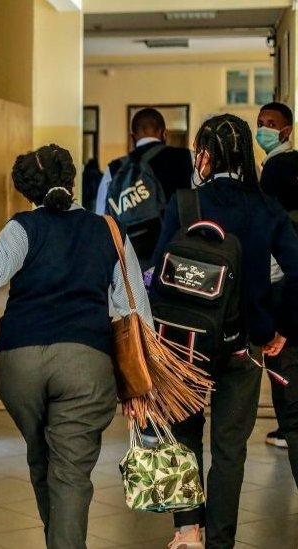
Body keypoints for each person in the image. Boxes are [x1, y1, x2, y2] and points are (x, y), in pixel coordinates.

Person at [0, 144, 152, 549]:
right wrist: (140, 384)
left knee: (42, 456)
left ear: (27, 191)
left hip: (18, 363)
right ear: (72, 179)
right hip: (86, 363)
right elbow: (134, 307)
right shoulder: (108, 229)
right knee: (70, 472)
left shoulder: (23, 227)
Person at [152, 114, 298, 549]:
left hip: (184, 347)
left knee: (183, 439)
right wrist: (281, 328)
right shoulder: (265, 205)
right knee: (231, 449)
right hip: (244, 347)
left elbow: (155, 274)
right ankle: (220, 539)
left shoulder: (184, 204)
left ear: (205, 155)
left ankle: (187, 530)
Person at [95, 108, 194, 267]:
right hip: (179, 258)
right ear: (164, 134)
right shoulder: (188, 158)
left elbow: (101, 219)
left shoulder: (114, 169)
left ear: (132, 137)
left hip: (133, 263)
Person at [256, 102, 298, 476]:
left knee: (278, 354)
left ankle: (287, 426)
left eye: (272, 124)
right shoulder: (287, 164)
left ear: (286, 131)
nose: (265, 129)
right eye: (261, 123)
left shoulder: (276, 170)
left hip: (279, 272)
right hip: (290, 270)